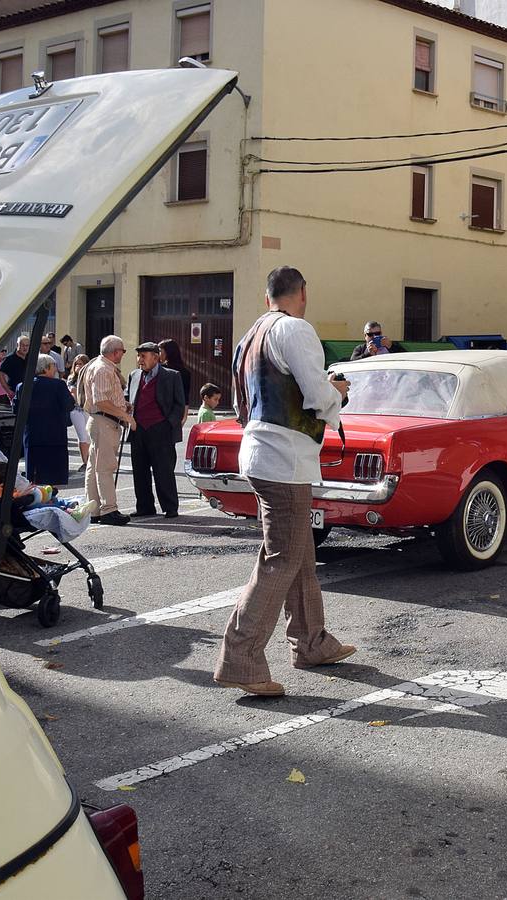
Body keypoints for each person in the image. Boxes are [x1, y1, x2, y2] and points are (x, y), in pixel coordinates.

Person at [214, 266, 356, 697]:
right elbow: (316, 394)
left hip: (260, 452)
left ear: (266, 297)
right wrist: (339, 391)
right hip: (285, 458)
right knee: (282, 559)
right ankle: (240, 658)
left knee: (297, 554)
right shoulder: (295, 330)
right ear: (303, 293)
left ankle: (311, 641)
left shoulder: (249, 335)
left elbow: (240, 402)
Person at [126, 341, 187, 519]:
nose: (140, 360)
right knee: (140, 471)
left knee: (163, 471)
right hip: (139, 429)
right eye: (138, 356)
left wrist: (169, 424)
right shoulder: (134, 375)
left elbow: (179, 404)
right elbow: (129, 396)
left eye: (143, 356)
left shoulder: (172, 375)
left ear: (156, 357)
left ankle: (170, 507)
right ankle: (145, 506)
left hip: (161, 429)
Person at [79, 335, 133, 526]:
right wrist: (126, 416)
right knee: (105, 467)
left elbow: (104, 398)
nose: (123, 355)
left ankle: (93, 510)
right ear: (115, 351)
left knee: (94, 467)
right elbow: (101, 401)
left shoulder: (99, 366)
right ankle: (109, 509)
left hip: (100, 420)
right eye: (123, 351)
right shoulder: (103, 369)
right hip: (104, 422)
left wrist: (122, 405)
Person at [14, 353, 75, 488]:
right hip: (54, 437)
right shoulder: (58, 385)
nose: (55, 369)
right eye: (53, 366)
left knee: (34, 479)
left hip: (33, 437)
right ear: (46, 368)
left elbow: (16, 410)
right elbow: (69, 405)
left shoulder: (22, 386)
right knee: (51, 480)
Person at [157, 338, 195, 422]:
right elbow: (186, 397)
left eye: (160, 351)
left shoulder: (160, 370)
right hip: (176, 413)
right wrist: (184, 417)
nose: (158, 354)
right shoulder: (185, 372)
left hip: (162, 411)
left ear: (167, 352)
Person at [65, 353, 92, 470]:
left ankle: (91, 459)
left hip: (88, 409)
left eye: (81, 364)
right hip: (76, 410)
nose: (78, 366)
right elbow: (73, 394)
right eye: (76, 364)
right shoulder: (71, 379)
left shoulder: (90, 377)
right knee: (82, 436)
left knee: (89, 436)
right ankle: (85, 461)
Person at [0, 335, 30, 402]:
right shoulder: (9, 359)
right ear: (17, 345)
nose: (25, 348)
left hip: (29, 394)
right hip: (16, 394)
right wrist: (9, 392)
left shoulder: (31, 358)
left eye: (27, 345)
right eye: (23, 345)